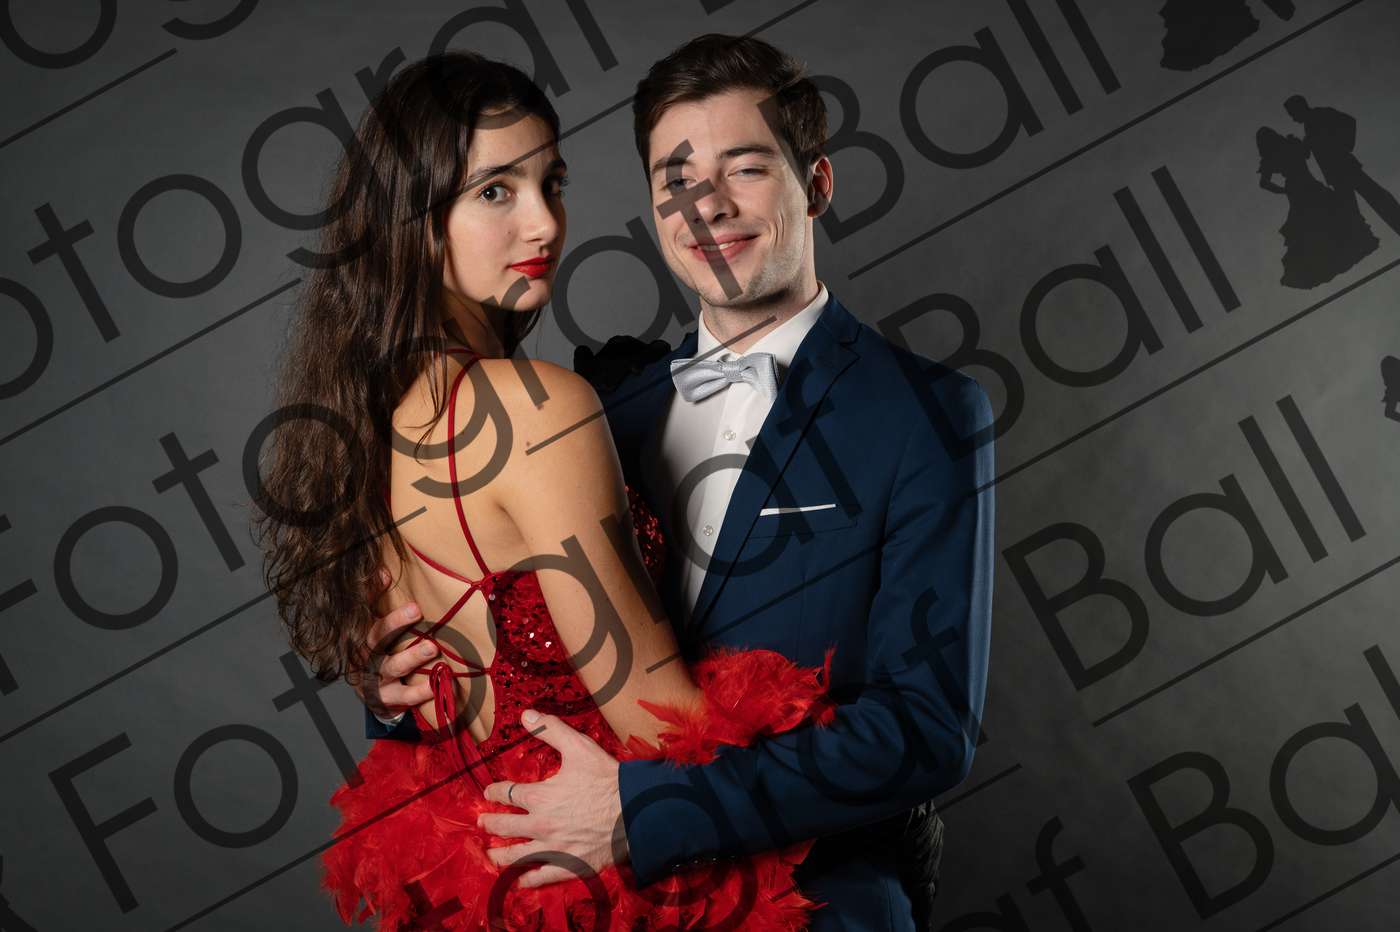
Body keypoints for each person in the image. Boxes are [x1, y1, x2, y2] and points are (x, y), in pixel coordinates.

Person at [359, 35, 996, 931]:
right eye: (677, 179)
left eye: (747, 169)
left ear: (816, 184)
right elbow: (504, 634)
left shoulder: (925, 413)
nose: (709, 205)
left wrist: (649, 812)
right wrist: (403, 687)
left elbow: (924, 732)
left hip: (811, 901)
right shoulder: (599, 403)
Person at [255, 50, 838, 930]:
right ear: (415, 218)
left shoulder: (367, 418)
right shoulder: (535, 409)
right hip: (610, 880)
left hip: (487, 875)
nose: (545, 224)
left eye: (552, 184)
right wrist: (848, 764)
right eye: (496, 191)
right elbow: (659, 727)